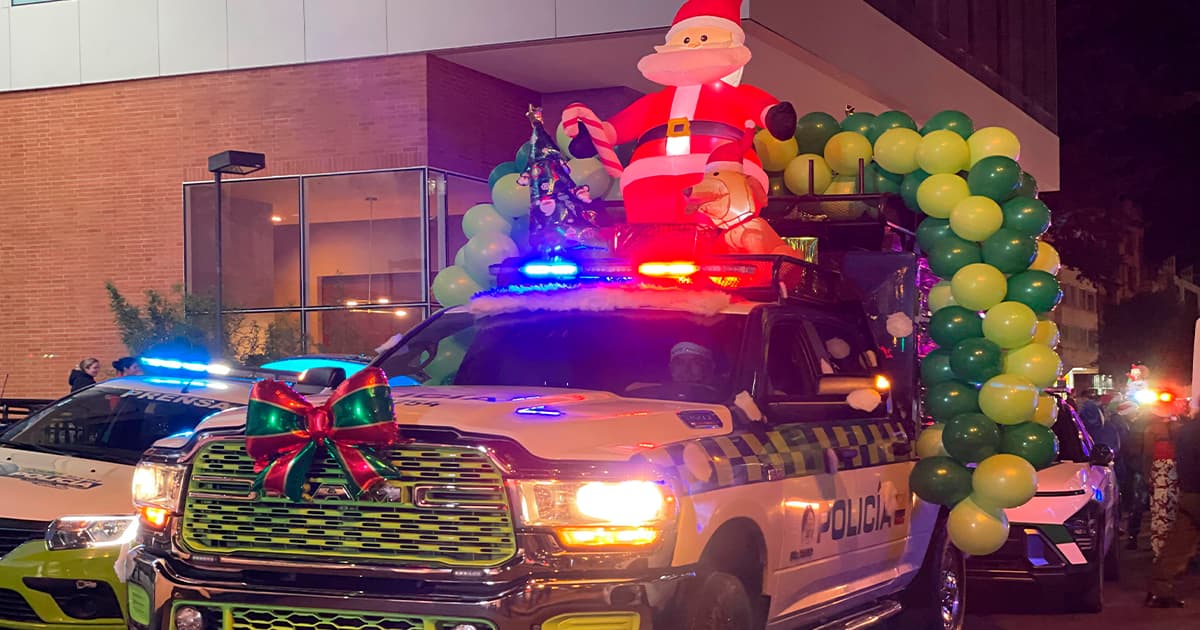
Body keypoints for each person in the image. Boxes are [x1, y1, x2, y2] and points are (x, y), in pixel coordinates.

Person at [1145, 410, 1200, 607]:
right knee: (1180, 546)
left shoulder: (1186, 431)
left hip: (1189, 492)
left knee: (1178, 546)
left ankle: (1159, 591)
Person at [1144, 408, 1182, 559]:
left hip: (1159, 477)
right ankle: (1174, 551)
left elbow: (1147, 456)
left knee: (1160, 513)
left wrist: (1148, 477)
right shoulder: (1180, 429)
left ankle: (1160, 551)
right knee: (1175, 512)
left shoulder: (1151, 430)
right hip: (1176, 477)